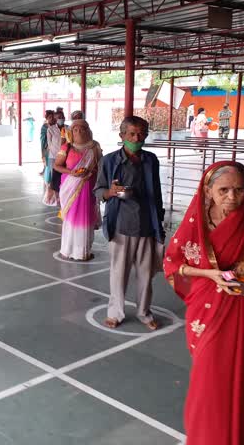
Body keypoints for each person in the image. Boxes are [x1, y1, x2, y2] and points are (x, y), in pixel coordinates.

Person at [163, 161, 244, 445]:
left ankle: (237, 434)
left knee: (240, 371)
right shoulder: (196, 221)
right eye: (224, 190)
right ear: (208, 191)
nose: (232, 197)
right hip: (206, 305)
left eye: (239, 190)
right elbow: (172, 263)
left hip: (240, 306)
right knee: (209, 377)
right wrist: (210, 274)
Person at [94, 116, 165, 331]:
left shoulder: (151, 160)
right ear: (122, 136)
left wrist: (159, 222)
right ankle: (115, 313)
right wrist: (111, 192)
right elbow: (98, 191)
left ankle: (144, 312)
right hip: (121, 225)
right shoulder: (109, 161)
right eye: (132, 134)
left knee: (146, 274)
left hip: (146, 225)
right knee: (119, 274)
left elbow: (157, 192)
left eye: (142, 133)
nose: (137, 138)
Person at [54, 120, 102, 261]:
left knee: (85, 218)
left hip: (88, 187)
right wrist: (71, 172)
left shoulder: (94, 147)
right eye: (75, 130)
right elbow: (57, 166)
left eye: (82, 129)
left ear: (88, 131)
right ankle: (67, 250)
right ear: (71, 132)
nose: (79, 132)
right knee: (70, 218)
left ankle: (82, 252)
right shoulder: (67, 147)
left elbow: (101, 166)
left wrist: (91, 172)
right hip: (70, 188)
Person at [44, 111, 66, 206]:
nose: (61, 118)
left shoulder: (68, 128)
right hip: (53, 157)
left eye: (62, 116)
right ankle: (55, 198)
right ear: (56, 119)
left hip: (65, 156)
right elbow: (50, 144)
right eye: (59, 117)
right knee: (54, 178)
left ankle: (64, 196)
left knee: (64, 177)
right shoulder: (51, 129)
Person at [40, 110, 52, 176]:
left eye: (52, 117)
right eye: (50, 117)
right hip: (46, 146)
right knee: (46, 161)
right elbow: (42, 139)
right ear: (47, 118)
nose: (52, 119)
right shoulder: (45, 126)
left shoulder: (56, 126)